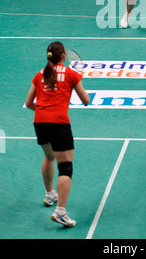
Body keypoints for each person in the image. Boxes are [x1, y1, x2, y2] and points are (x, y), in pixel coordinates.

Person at [25, 41, 90, 227]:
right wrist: (79, 79)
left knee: (49, 155)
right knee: (66, 168)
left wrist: (44, 111)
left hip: (39, 122)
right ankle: (60, 211)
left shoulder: (39, 74)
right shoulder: (70, 74)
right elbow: (85, 100)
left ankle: (49, 194)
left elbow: (29, 103)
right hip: (59, 124)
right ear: (63, 56)